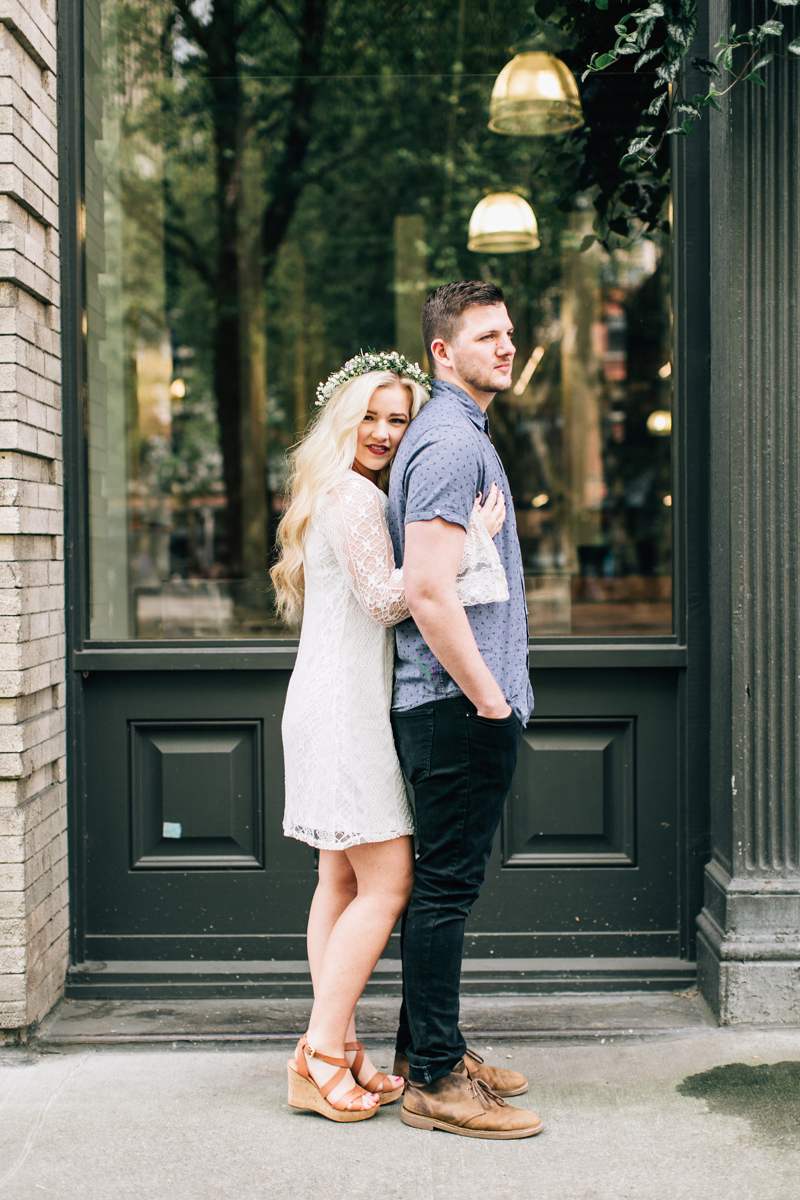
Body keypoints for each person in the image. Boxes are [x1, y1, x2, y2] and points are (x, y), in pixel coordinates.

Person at [271, 350, 509, 1123]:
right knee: (390, 883)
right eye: (368, 416)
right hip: (346, 713)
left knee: (338, 882)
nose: (382, 431)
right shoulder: (354, 498)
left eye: (397, 418)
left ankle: (337, 1047)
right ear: (342, 421)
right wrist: (468, 540)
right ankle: (317, 1052)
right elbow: (384, 601)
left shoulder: (339, 493)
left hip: (332, 703)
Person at [387, 281, 542, 1139]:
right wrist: (489, 698)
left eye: (509, 333)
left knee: (440, 888)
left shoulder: (457, 435)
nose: (506, 346)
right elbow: (426, 591)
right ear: (442, 352)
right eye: (486, 335)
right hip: (457, 706)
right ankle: (438, 1084)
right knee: (446, 890)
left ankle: (428, 1049)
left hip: (455, 704)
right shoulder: (451, 444)